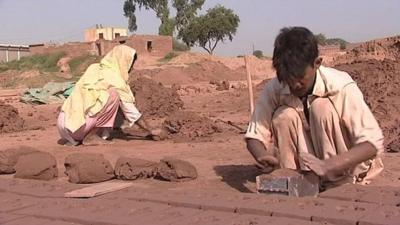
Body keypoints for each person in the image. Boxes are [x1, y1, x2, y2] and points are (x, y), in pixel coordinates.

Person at [245, 27, 384, 186]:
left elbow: (372, 144)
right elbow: (254, 135)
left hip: (349, 169)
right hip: (310, 166)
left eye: (300, 77)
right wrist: (262, 156)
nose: (294, 85)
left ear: (317, 63)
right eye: (287, 79)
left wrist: (328, 165)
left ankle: (337, 182)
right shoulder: (275, 87)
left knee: (321, 108)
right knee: (283, 116)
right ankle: (294, 179)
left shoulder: (340, 86)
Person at [57, 45, 162, 146]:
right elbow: (130, 111)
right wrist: (151, 130)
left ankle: (97, 131)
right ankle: (91, 137)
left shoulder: (94, 68)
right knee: (113, 95)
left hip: (63, 125)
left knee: (102, 98)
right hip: (77, 129)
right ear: (123, 62)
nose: (131, 69)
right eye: (130, 64)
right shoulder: (115, 79)